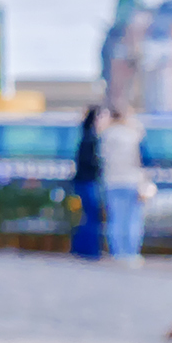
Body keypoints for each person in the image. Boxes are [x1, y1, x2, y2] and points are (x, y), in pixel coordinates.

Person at [103, 104, 150, 264]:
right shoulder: (134, 134)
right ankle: (131, 254)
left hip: (112, 181)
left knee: (115, 218)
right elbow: (144, 160)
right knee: (133, 219)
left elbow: (102, 159)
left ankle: (117, 252)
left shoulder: (106, 135)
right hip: (132, 180)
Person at [71, 106, 106, 260]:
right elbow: (89, 161)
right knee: (92, 215)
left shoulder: (85, 136)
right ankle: (89, 250)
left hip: (82, 180)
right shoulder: (92, 139)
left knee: (88, 215)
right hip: (88, 181)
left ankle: (82, 248)